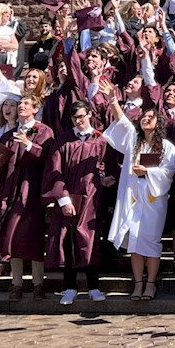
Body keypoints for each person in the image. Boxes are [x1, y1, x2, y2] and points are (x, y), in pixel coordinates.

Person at [43, 100, 117, 305]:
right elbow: (54, 172)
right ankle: (70, 287)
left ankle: (94, 286)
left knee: (90, 242)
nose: (79, 121)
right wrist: (64, 199)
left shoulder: (101, 140)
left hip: (93, 199)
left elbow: (105, 167)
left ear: (90, 115)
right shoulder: (63, 141)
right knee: (67, 241)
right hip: (69, 199)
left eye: (82, 117)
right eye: (75, 118)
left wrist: (104, 179)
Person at [105, 95, 175, 302]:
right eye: (143, 116)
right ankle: (138, 284)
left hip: (154, 200)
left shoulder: (166, 147)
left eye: (150, 117)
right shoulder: (133, 141)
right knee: (135, 243)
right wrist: (113, 103)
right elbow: (123, 123)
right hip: (133, 198)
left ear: (158, 122)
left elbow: (168, 172)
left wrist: (147, 171)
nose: (145, 119)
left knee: (151, 242)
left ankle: (151, 284)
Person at [0, 94, 53, 302]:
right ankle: (17, 284)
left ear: (35, 109)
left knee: (33, 237)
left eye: (25, 104)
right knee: (12, 237)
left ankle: (38, 284)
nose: (21, 107)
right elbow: (0, 163)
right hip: (10, 192)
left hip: (31, 192)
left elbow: (48, 158)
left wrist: (29, 145)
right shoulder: (9, 135)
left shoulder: (43, 131)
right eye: (19, 104)